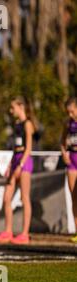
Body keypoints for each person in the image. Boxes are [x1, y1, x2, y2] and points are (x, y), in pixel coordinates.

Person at [0, 96, 37, 245]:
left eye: (13, 108)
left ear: (21, 106)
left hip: (25, 162)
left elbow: (29, 148)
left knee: (24, 198)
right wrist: (10, 166)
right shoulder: (16, 124)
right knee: (7, 197)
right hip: (16, 160)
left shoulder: (28, 124)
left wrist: (20, 165)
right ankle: (8, 231)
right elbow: (15, 148)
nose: (11, 111)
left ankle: (25, 234)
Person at [60, 97, 77, 243]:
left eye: (72, 111)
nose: (70, 115)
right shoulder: (68, 123)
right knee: (74, 197)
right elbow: (62, 141)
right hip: (72, 162)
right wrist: (64, 153)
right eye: (68, 112)